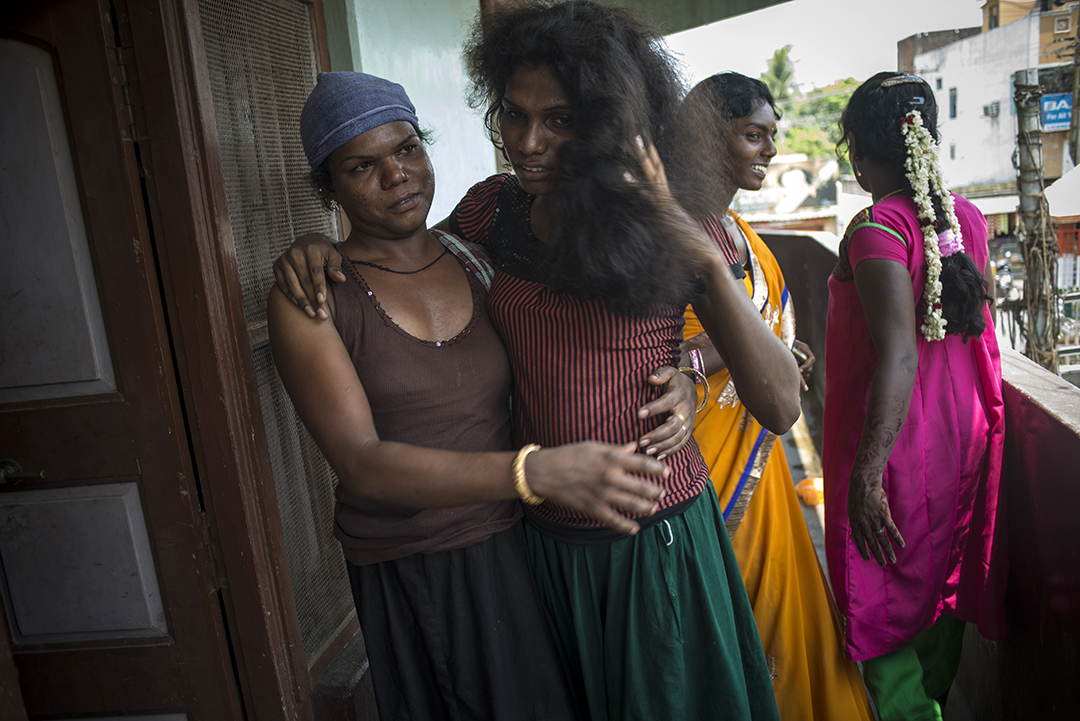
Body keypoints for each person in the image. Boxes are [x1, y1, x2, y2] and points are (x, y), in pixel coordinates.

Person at [275, 3, 802, 718]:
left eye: (557, 120)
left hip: (650, 540)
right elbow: (403, 250)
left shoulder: (672, 221)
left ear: (608, 119)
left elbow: (780, 403)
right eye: (512, 115)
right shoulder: (492, 213)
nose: (526, 142)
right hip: (540, 548)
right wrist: (312, 245)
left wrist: (688, 355)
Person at [677, 72, 875, 721]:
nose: (768, 150)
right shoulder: (668, 233)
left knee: (784, 638)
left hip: (761, 477)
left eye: (772, 136)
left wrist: (779, 355)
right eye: (753, 135)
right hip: (699, 476)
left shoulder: (737, 232)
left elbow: (759, 332)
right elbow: (649, 354)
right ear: (709, 135)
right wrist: (747, 352)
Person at [824, 71, 1006, 721]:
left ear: (865, 152)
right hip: (962, 439)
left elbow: (900, 354)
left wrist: (866, 474)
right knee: (940, 587)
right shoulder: (970, 220)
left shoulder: (876, 229)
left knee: (878, 599)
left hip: (895, 449)